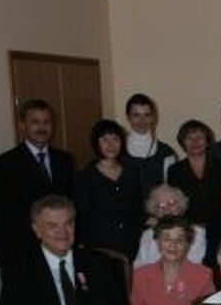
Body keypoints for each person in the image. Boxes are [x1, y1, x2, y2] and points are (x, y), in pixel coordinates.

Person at [0, 98, 75, 271]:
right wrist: (5, 260)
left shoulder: (65, 160)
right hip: (23, 253)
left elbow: (72, 205)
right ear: (23, 125)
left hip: (61, 250)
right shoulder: (6, 163)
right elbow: (1, 216)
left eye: (46, 122)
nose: (41, 127)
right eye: (35, 122)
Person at [73, 118, 143, 262]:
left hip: (132, 245)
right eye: (105, 139)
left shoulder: (132, 173)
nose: (111, 145)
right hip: (99, 247)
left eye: (115, 139)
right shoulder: (85, 177)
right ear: (96, 143)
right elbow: (81, 215)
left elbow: (138, 209)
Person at [168, 119, 221, 227]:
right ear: (183, 142)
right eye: (190, 138)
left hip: (219, 226)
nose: (195, 142)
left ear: (207, 141)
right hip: (187, 228)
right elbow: (173, 204)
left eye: (200, 138)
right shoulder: (174, 170)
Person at [133, 185, 207, 267]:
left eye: (171, 203)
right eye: (160, 206)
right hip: (150, 278)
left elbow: (195, 266)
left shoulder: (196, 233)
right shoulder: (148, 235)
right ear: (154, 212)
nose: (166, 209)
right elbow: (138, 267)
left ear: (181, 206)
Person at [124, 93, 178, 201]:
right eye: (136, 115)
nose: (142, 120)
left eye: (146, 115)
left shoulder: (166, 153)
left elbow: (170, 192)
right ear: (128, 117)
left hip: (156, 215)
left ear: (153, 117)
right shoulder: (117, 151)